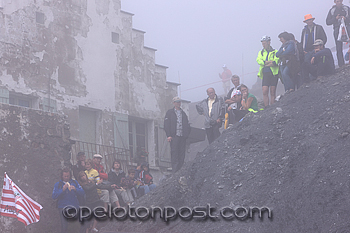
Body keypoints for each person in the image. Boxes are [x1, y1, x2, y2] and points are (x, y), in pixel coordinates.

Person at [52, 167, 85, 233]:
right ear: (62, 176)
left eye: (68, 176)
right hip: (62, 207)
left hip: (74, 206)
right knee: (64, 226)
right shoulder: (58, 184)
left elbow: (82, 193)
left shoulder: (74, 182)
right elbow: (54, 196)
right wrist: (62, 190)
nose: (66, 177)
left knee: (77, 225)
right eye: (65, 176)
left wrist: (75, 189)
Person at [164, 96, 191, 173]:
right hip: (174, 136)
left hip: (182, 136)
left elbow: (187, 125)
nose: (179, 103)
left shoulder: (183, 113)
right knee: (174, 152)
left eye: (179, 102)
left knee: (182, 153)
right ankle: (175, 170)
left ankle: (180, 169)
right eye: (177, 102)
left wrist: (186, 134)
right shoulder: (170, 113)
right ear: (174, 103)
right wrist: (168, 135)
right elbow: (166, 124)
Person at [256, 35, 279, 107]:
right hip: (265, 73)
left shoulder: (275, 51)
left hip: (273, 73)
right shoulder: (261, 52)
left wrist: (268, 63)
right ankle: (266, 107)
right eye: (262, 43)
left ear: (268, 42)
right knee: (265, 91)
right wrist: (268, 62)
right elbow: (258, 60)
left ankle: (272, 106)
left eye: (264, 43)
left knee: (272, 91)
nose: (263, 45)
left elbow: (276, 60)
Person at [326, 0, 350, 67]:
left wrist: (345, 19)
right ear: (335, 2)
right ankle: (341, 64)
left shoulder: (346, 9)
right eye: (337, 1)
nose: (339, 2)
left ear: (342, 1)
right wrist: (335, 18)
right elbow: (328, 22)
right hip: (337, 29)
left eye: (340, 1)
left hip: (347, 28)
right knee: (338, 47)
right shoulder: (332, 10)